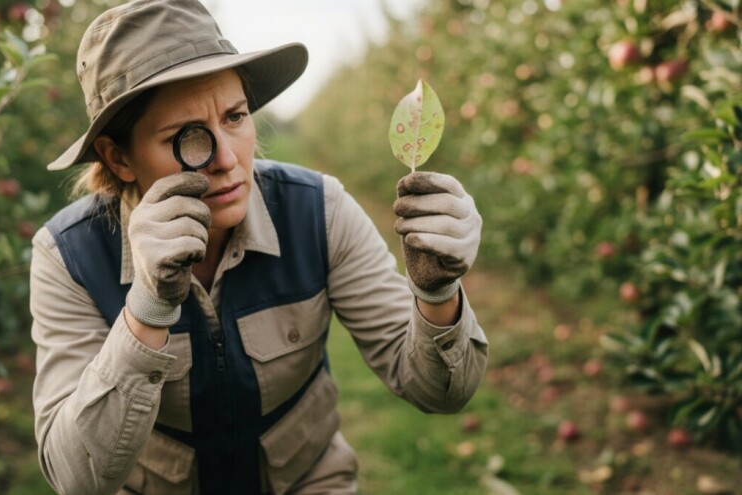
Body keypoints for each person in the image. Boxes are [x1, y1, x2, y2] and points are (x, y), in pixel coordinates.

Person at [29, 1, 488, 494]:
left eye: (235, 116)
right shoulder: (69, 257)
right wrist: (146, 309)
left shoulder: (318, 212)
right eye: (187, 137)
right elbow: (76, 478)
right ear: (119, 157)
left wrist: (437, 295)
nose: (227, 159)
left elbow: (438, 391)